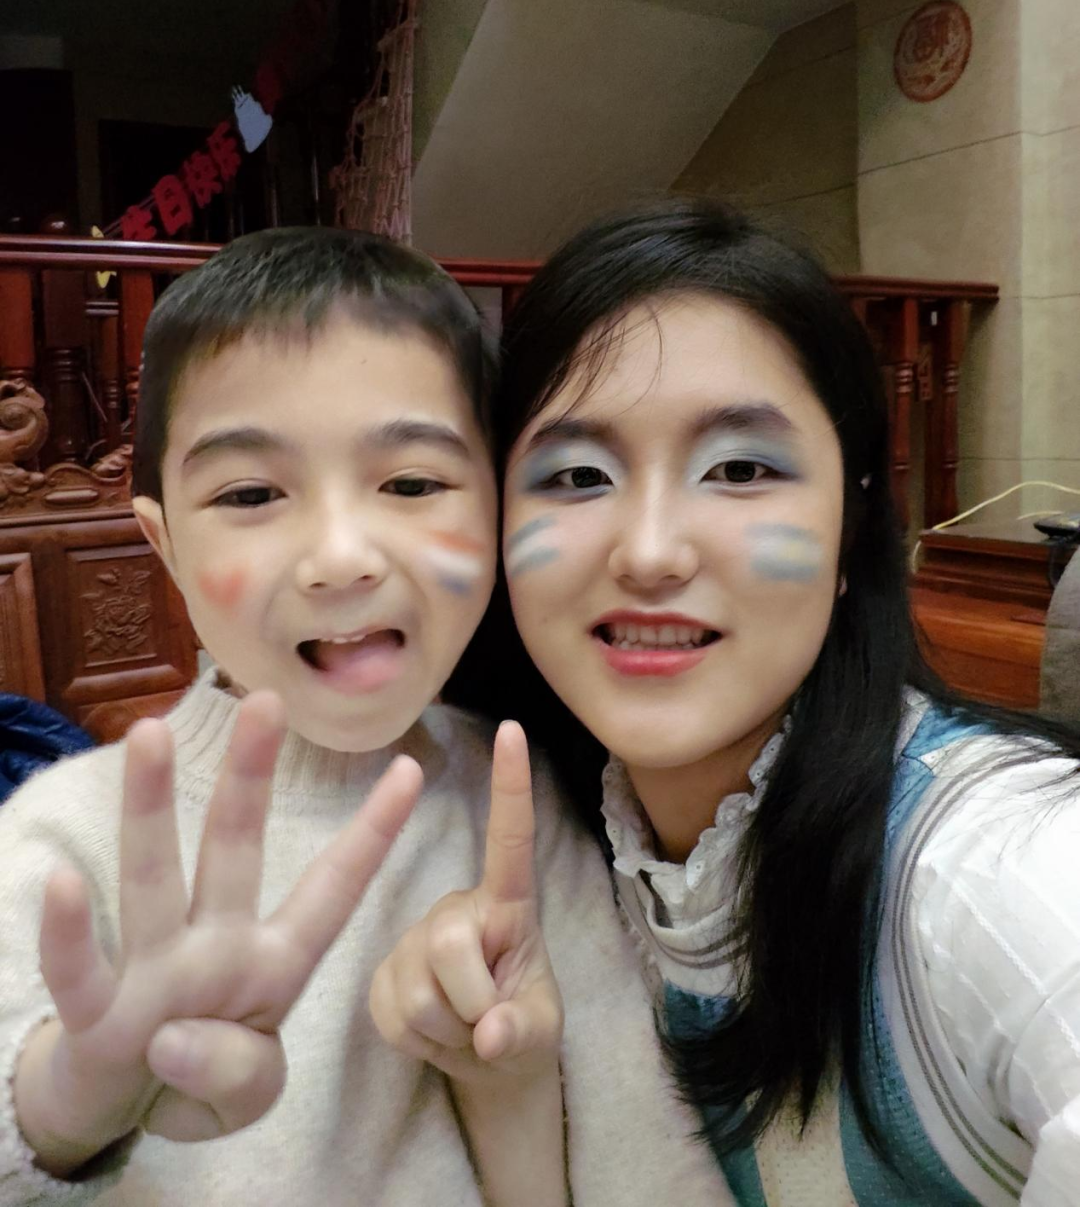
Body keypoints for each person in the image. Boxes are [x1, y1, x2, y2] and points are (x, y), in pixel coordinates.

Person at [0, 228, 724, 1207]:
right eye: (251, 492)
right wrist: (65, 1107)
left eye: (412, 483)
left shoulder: (512, 795)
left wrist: (511, 1080)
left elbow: (644, 1151)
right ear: (164, 545)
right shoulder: (64, 834)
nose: (341, 556)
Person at [435, 199, 1080, 1204]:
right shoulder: (535, 850)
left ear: (850, 522)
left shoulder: (995, 866)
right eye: (578, 473)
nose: (651, 552)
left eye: (739, 468)